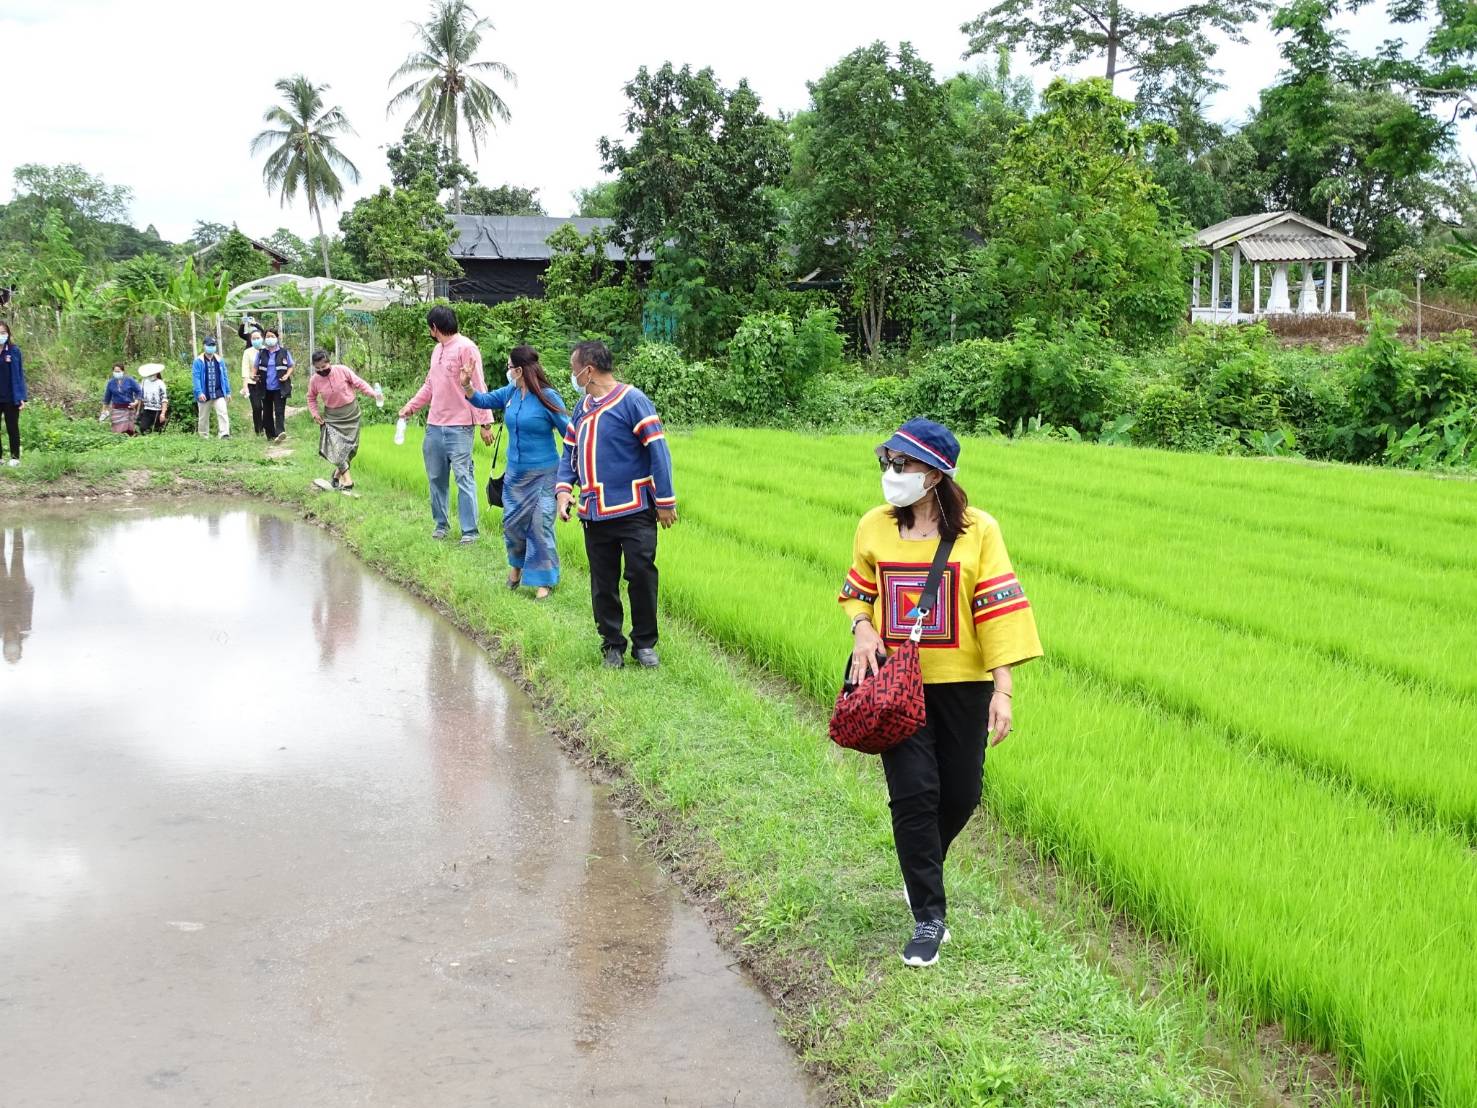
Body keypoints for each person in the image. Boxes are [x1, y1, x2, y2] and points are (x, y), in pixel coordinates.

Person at [839, 418, 1042, 969]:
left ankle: (919, 865)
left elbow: (998, 610)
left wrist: (1004, 690)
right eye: (888, 462)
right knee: (914, 795)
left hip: (963, 686)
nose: (892, 473)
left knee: (961, 793)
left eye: (903, 465)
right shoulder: (874, 526)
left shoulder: (980, 531)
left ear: (935, 474)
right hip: (894, 684)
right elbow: (857, 591)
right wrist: (862, 626)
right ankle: (929, 916)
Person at [555, 340, 677, 669]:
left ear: (588, 370)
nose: (573, 375)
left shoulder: (632, 401)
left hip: (635, 509)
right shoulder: (582, 407)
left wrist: (665, 501)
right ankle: (612, 643)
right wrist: (564, 490)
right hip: (594, 513)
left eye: (573, 369)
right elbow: (569, 452)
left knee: (641, 575)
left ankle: (645, 644)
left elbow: (658, 450)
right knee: (603, 581)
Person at [461, 345, 573, 600]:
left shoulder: (548, 396)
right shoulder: (511, 392)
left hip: (544, 474)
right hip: (515, 475)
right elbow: (482, 400)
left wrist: (575, 470)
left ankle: (544, 581)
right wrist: (467, 385)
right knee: (512, 524)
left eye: (510, 367)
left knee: (540, 525)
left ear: (520, 370)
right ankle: (516, 568)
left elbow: (569, 433)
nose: (508, 371)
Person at [398, 305, 494, 544]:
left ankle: (469, 532)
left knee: (464, 477)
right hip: (434, 425)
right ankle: (441, 525)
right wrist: (411, 407)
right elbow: (430, 386)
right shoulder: (436, 350)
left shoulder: (466, 348)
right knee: (436, 477)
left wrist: (485, 423)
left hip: (460, 426)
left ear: (434, 328)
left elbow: (478, 385)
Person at [306, 350, 379, 492]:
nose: (322, 370)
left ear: (329, 362)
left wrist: (373, 394)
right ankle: (348, 482)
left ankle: (336, 475)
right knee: (337, 449)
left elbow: (359, 383)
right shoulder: (314, 380)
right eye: (318, 368)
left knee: (351, 449)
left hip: (351, 414)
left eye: (324, 366)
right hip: (332, 418)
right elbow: (311, 398)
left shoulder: (343, 370)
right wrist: (315, 414)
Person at [256, 328, 294, 443]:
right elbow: (255, 366)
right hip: (265, 387)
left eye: (272, 336)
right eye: (268, 336)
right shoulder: (261, 353)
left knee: (279, 411)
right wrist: (254, 375)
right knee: (267, 412)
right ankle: (270, 435)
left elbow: (290, 366)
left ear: (277, 338)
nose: (270, 338)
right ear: (264, 338)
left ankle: (280, 433)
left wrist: (287, 375)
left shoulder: (284, 352)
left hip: (280, 387)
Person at [1, 526, 31, 664]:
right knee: (17, 555)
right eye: (12, 640)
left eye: (8, 641)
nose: (10, 636)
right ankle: (17, 527)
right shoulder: (24, 626)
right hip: (19, 588)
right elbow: (27, 606)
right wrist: (28, 589)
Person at [192, 336, 231, 439]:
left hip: (218, 391)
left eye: (213, 345)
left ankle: (224, 434)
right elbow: (196, 378)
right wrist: (199, 392)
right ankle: (203, 436)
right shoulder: (198, 361)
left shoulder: (219, 360)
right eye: (209, 345)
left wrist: (227, 391)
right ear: (204, 346)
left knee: (222, 412)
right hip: (205, 392)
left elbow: (224, 376)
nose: (211, 347)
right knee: (203, 416)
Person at [0, 321, 24, 467]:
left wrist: (21, 397)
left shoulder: (14, 350)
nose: (1, 335)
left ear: (8, 334)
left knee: (12, 427)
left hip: (10, 396)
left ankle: (15, 458)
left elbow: (18, 375)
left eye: (3, 332)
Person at [100, 361, 143, 435]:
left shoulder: (130, 380)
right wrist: (103, 410)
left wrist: (136, 402)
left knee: (128, 430)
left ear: (123, 371)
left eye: (118, 371)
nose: (117, 373)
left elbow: (139, 391)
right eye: (115, 371)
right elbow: (107, 398)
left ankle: (130, 443)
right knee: (118, 431)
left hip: (128, 409)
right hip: (116, 410)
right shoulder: (111, 382)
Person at [241, 326, 266, 436]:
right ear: (251, 340)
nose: (256, 340)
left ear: (262, 338)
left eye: (258, 338)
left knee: (266, 407)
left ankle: (267, 427)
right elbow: (245, 369)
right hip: (253, 384)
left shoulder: (267, 350)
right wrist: (245, 385)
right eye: (253, 339)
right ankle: (258, 430)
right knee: (257, 407)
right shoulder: (247, 352)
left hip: (266, 383)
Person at [138, 364, 169, 434]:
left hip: (157, 410)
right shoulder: (144, 382)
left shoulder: (160, 383)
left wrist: (163, 413)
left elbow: (164, 399)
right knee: (143, 428)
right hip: (147, 409)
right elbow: (140, 396)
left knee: (158, 430)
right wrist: (137, 409)